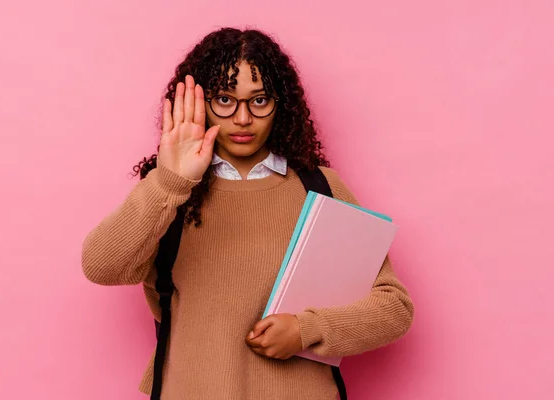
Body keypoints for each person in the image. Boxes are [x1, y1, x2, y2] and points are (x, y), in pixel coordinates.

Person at [81, 27, 414, 399]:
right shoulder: (168, 192)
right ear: (200, 103)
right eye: (225, 99)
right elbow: (101, 266)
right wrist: (171, 181)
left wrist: (308, 329)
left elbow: (394, 307)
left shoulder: (318, 187)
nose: (242, 118)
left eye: (258, 101)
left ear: (279, 105)